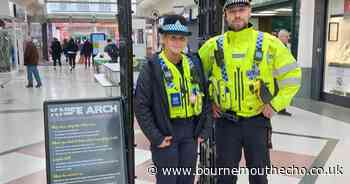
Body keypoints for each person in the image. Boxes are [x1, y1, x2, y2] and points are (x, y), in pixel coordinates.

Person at [198, 0, 302, 183]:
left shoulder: (270, 43)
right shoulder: (212, 46)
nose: (237, 15)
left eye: (242, 10)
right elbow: (194, 79)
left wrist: (275, 104)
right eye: (232, 11)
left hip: (257, 122)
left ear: (249, 11)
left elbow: (293, 76)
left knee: (259, 177)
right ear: (225, 15)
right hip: (225, 123)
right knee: (225, 177)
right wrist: (209, 104)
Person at [134, 14, 211, 184]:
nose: (177, 42)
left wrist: (203, 131)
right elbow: (141, 106)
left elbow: (206, 99)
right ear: (164, 39)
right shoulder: (152, 67)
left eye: (181, 38)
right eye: (172, 38)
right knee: (167, 180)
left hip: (190, 132)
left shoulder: (194, 64)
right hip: (166, 133)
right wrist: (156, 137)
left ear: (185, 41)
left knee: (186, 180)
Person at [277, 29, 293, 116]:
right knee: (278, 91)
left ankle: (281, 108)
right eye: (286, 36)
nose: (288, 38)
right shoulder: (276, 46)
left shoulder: (286, 46)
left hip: (284, 73)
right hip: (278, 73)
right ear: (281, 37)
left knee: (282, 91)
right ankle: (280, 108)